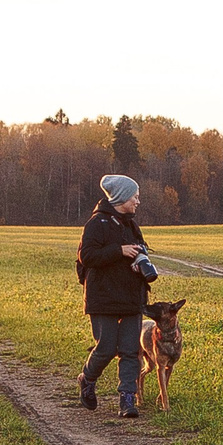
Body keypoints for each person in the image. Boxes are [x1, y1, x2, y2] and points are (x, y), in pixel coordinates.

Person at [78, 173, 151, 417]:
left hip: (131, 297)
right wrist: (119, 251)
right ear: (121, 197)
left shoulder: (131, 224)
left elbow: (139, 250)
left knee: (131, 350)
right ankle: (87, 379)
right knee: (107, 347)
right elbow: (86, 257)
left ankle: (127, 400)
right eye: (135, 197)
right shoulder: (96, 224)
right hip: (103, 298)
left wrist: (140, 258)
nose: (138, 202)